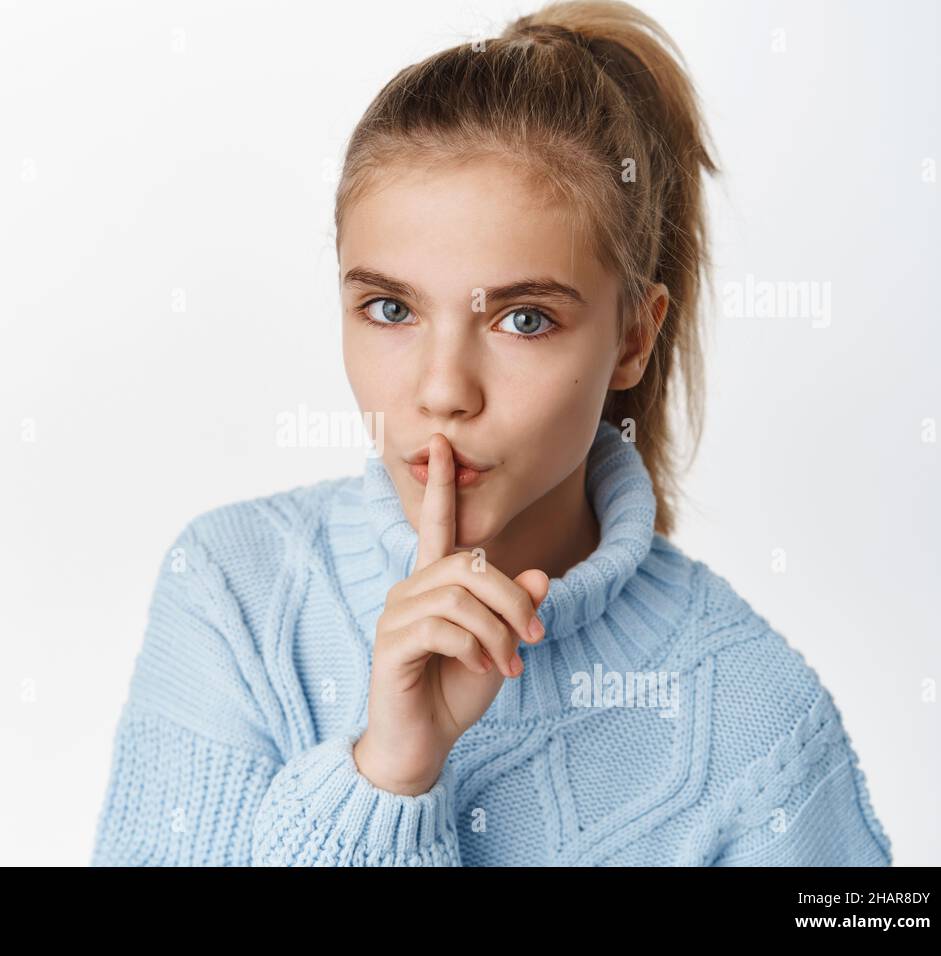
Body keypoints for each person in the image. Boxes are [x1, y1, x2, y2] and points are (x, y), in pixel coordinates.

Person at [89, 0, 892, 866]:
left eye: (524, 320)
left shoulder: (758, 726)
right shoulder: (233, 592)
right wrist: (389, 775)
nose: (442, 392)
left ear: (631, 339)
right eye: (390, 309)